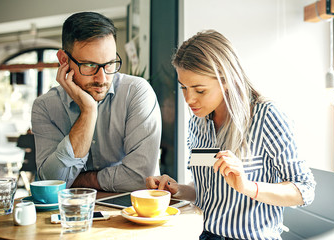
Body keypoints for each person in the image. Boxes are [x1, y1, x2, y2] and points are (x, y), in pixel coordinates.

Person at [146, 30, 315, 240]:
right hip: (202, 234)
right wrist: (177, 190)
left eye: (199, 90)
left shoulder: (266, 117)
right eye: (184, 88)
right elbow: (207, 191)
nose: (189, 100)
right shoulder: (198, 123)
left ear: (225, 80)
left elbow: (304, 190)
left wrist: (248, 187)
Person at [31, 12, 162, 192]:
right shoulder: (45, 107)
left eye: (109, 64)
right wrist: (89, 111)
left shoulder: (136, 92)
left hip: (132, 214)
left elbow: (139, 178)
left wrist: (78, 180)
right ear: (64, 60)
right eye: (90, 65)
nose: (102, 78)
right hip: (71, 215)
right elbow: (52, 182)